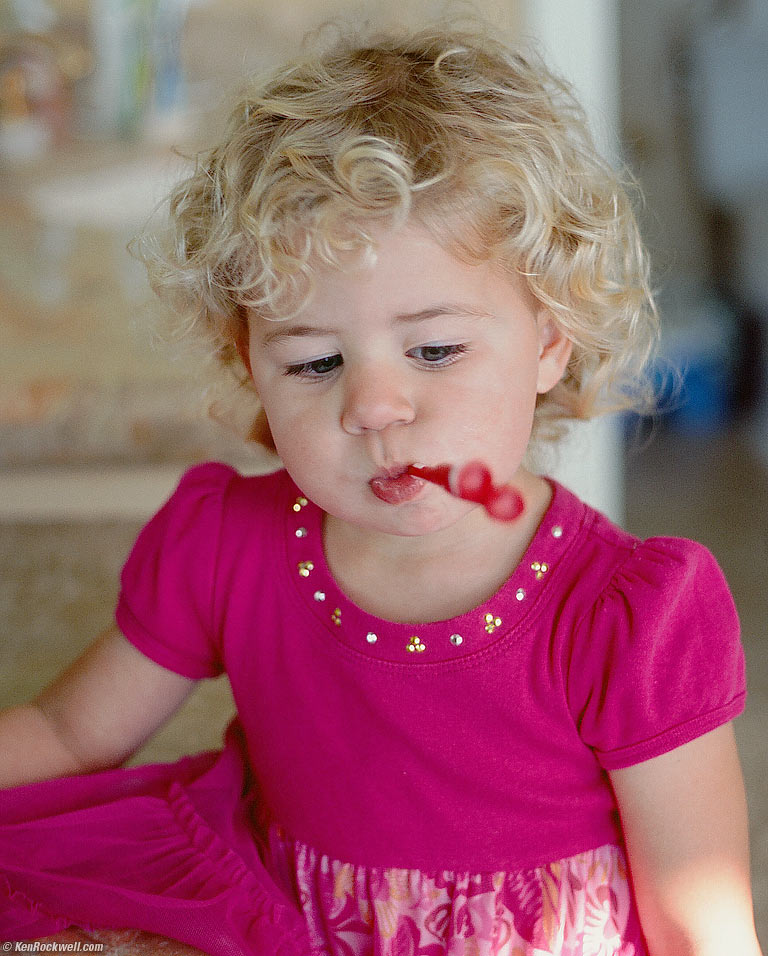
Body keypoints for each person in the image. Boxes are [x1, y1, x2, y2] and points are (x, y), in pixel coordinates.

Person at [0, 24, 762, 956]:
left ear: (550, 340)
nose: (374, 408)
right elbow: (70, 733)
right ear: (250, 368)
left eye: (435, 349)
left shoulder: (626, 618)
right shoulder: (224, 545)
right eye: (315, 362)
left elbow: (703, 922)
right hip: (277, 924)